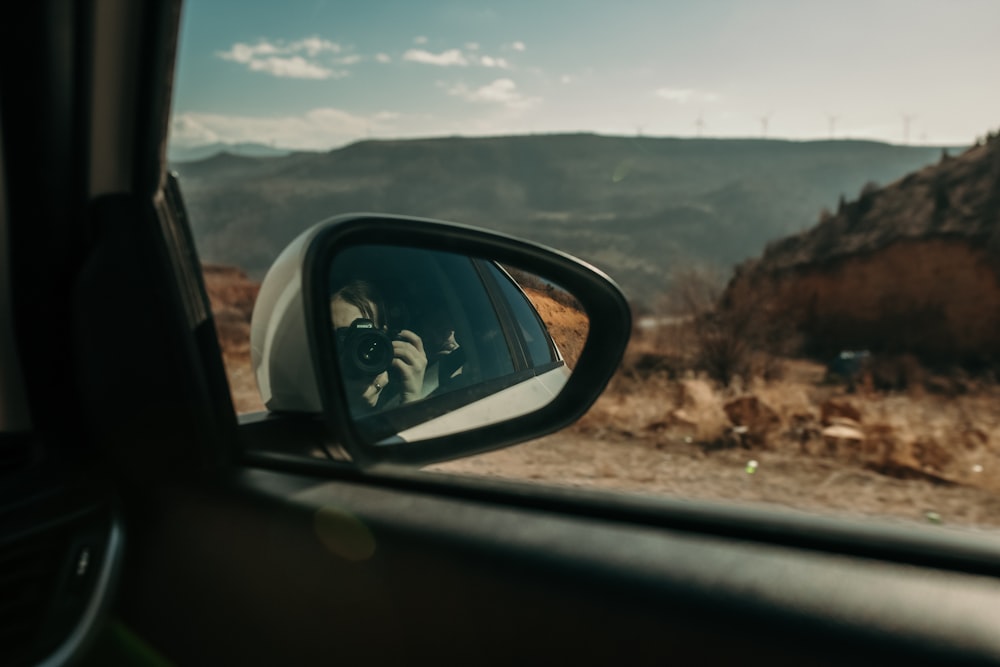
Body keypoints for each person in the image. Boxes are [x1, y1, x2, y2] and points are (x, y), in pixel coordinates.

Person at [330, 279, 427, 414]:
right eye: (343, 335)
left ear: (384, 337)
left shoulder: (397, 384)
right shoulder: (317, 384)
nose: (353, 347)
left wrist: (411, 397)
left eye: (365, 337)